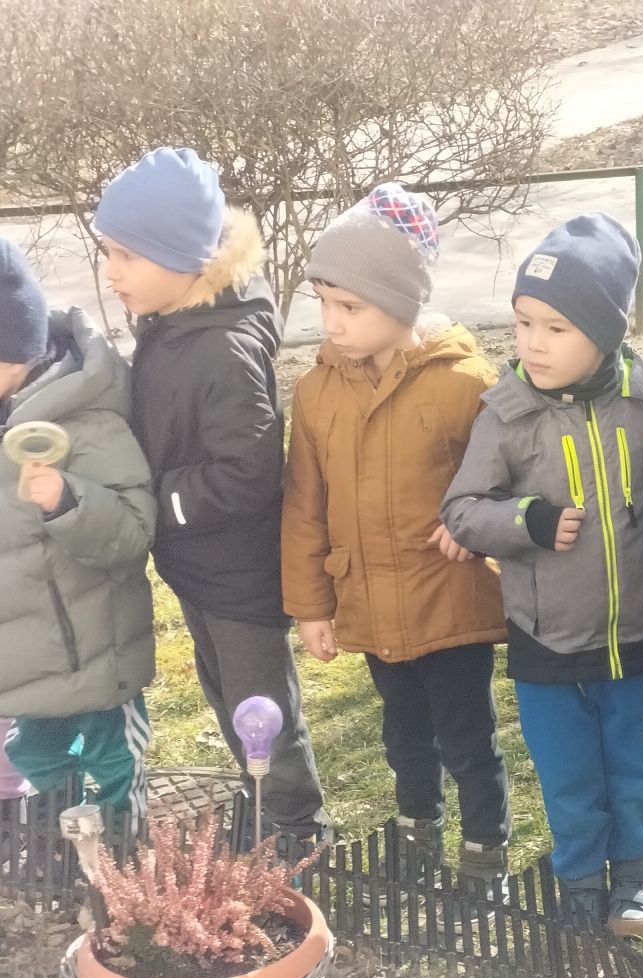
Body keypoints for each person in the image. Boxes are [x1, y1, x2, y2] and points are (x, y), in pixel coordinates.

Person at [441, 213, 643, 936]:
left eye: (556, 327)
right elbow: (461, 510)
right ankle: (579, 882)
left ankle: (634, 882)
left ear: (605, 332)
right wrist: (526, 522)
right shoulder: (506, 415)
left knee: (636, 772)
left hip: (636, 635)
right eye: (523, 323)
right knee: (570, 777)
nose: (533, 343)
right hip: (547, 641)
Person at [93, 147, 327, 842]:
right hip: (197, 564)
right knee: (226, 695)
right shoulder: (173, 324)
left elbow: (248, 472)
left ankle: (296, 823)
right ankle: (263, 802)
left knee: (260, 705)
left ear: (181, 258)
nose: (111, 272)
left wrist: (159, 502)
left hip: (237, 571)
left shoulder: (222, 348)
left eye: (126, 256)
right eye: (107, 254)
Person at [282, 185, 510, 887]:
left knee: (467, 735)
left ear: (401, 302)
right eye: (323, 303)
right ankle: (417, 830)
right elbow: (305, 506)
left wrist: (478, 529)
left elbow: (505, 483)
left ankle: (485, 847)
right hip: (370, 600)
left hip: (451, 599)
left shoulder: (465, 382)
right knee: (403, 731)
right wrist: (311, 607)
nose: (332, 322)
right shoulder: (317, 393)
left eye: (350, 306)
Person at [0, 238, 155, 825]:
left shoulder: (85, 418)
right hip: (23, 661)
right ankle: (63, 844)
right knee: (36, 756)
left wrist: (67, 500)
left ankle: (124, 844)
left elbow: (132, 530)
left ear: (16, 348)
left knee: (114, 758)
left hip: (94, 652)